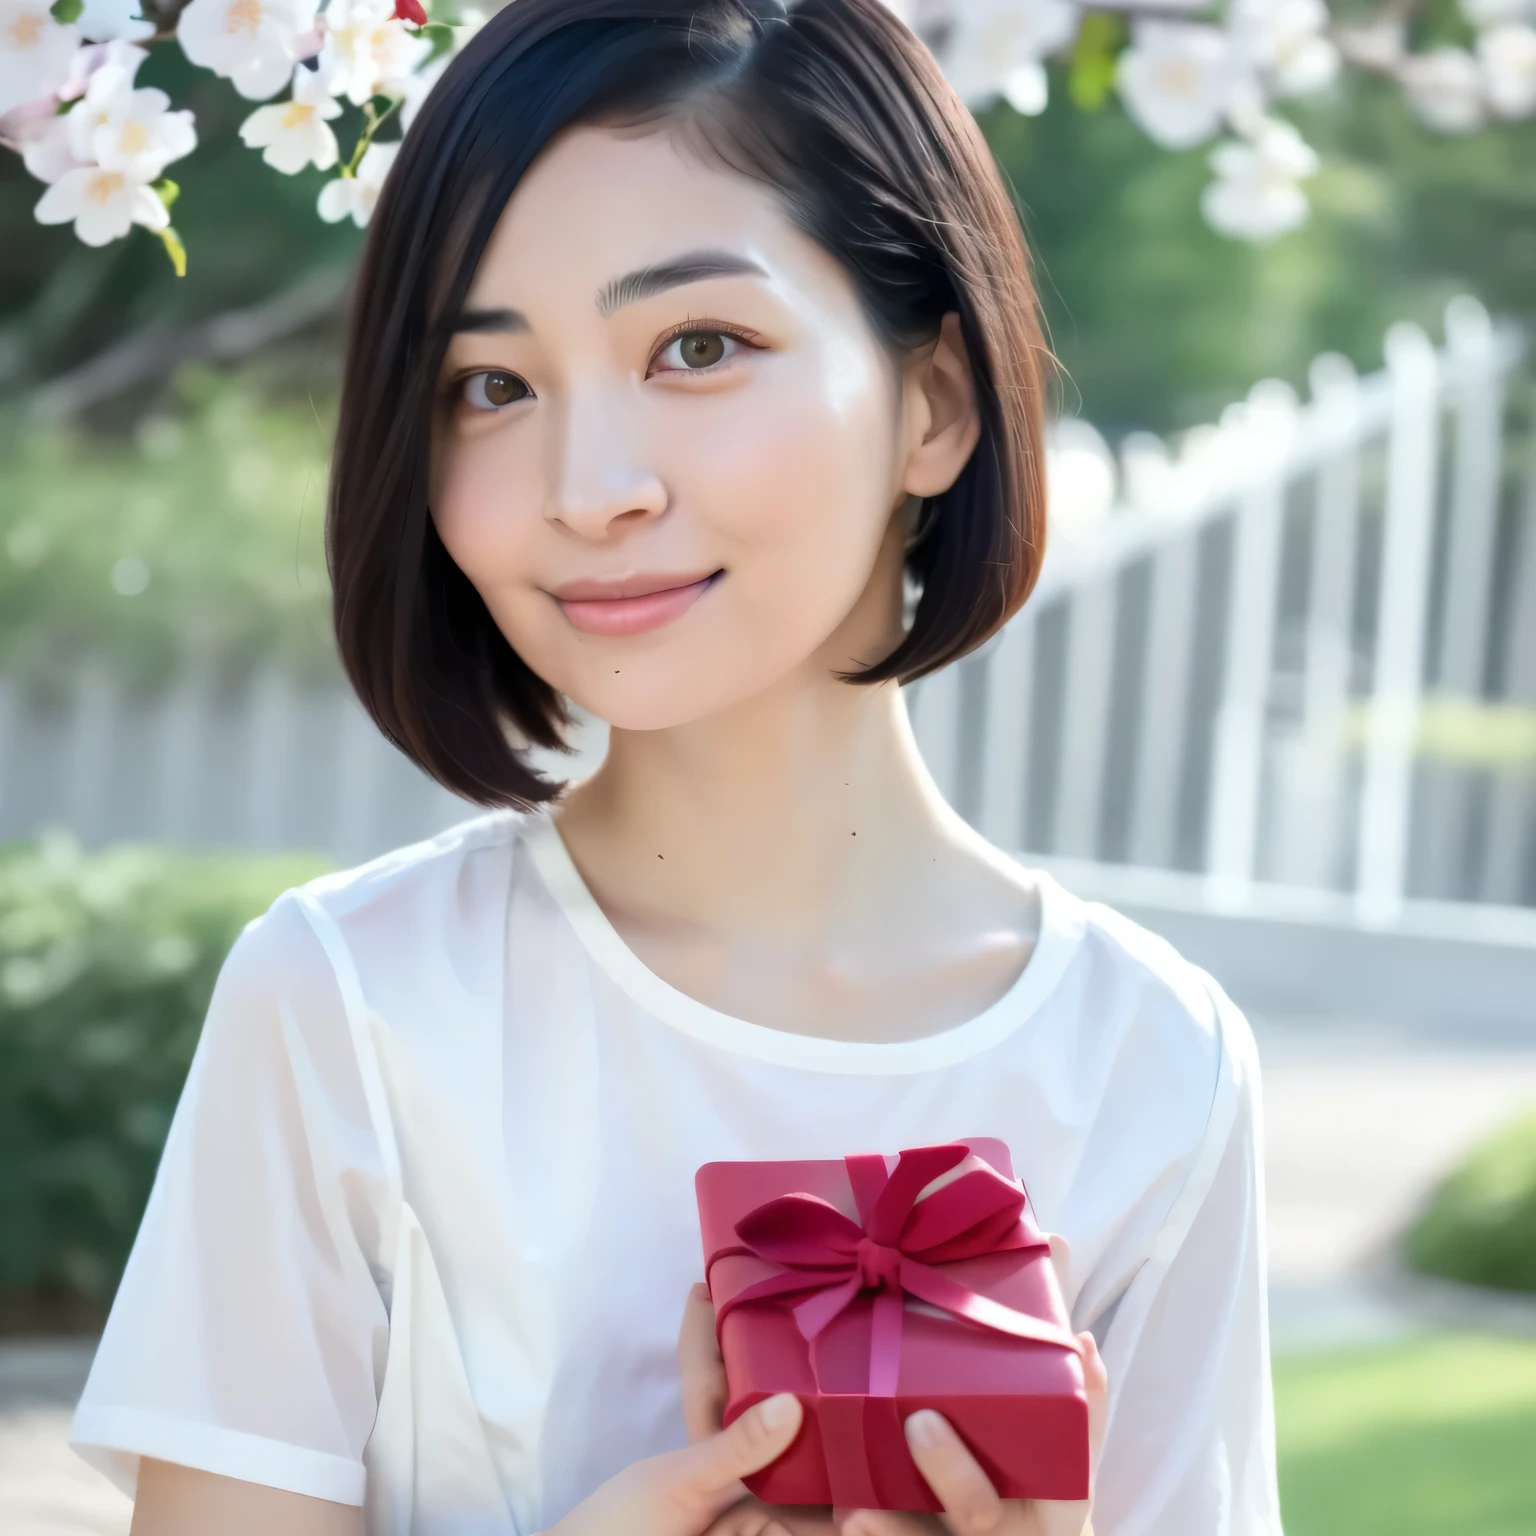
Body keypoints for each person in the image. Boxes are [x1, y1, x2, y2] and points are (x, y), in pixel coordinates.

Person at [70, 2, 1281, 1533]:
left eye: (699, 347)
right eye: (491, 386)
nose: (591, 490)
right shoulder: (354, 1006)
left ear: (939, 402)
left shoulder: (1147, 1065)